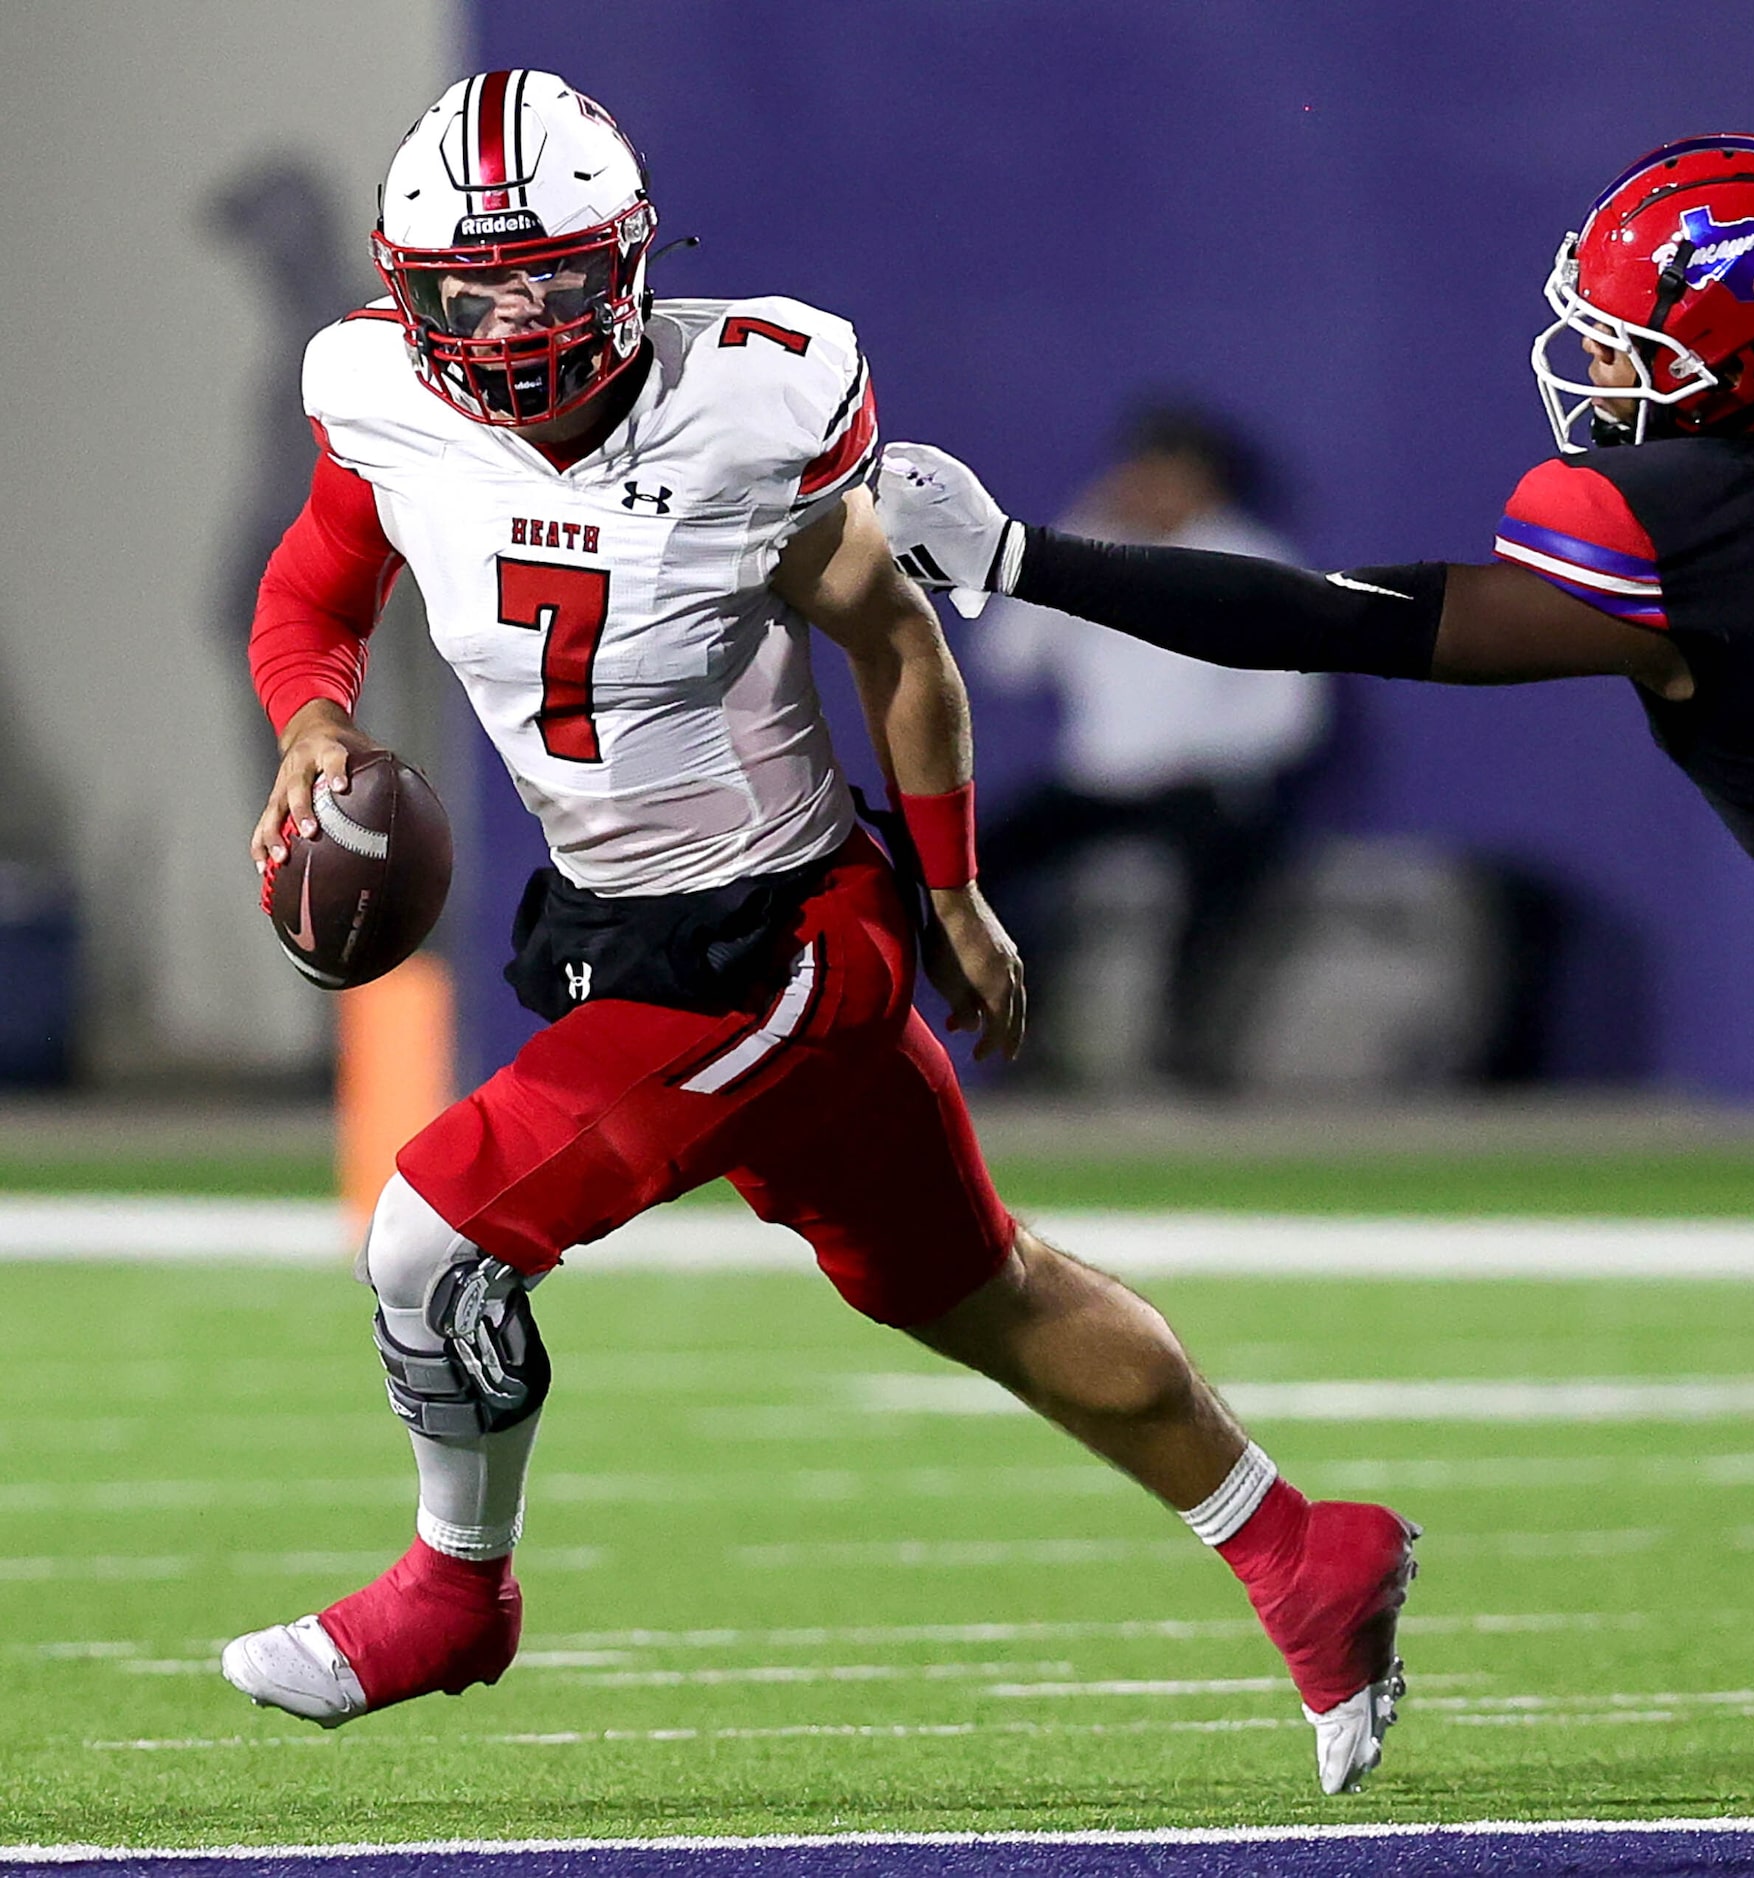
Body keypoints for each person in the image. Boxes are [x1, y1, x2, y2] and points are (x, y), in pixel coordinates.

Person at [882, 49, 1754, 1786]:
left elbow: (1340, 619)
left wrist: (1017, 559)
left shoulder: (1655, 518)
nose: (1596, 362)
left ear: (1734, 363)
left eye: (1632, 338)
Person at [221, 70, 1415, 1797]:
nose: (504, 320)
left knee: (431, 1234)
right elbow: (319, 588)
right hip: (622, 924)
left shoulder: (749, 405)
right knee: (972, 1284)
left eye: (544, 277)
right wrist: (314, 722)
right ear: (408, 294)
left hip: (775, 937)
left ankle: (453, 1590)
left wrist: (948, 890)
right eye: (465, 289)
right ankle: (1309, 1552)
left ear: (624, 265)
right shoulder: (383, 397)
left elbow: (899, 641)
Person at [970, 404, 1330, 1088]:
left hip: (1202, 786)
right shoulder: (1089, 555)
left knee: (1220, 879)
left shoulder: (1257, 563)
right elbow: (1004, 661)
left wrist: (1189, 756)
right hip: (1096, 785)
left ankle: (1181, 1054)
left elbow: (1290, 718)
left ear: (1209, 483)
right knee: (972, 870)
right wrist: (1063, 549)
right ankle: (1028, 1045)